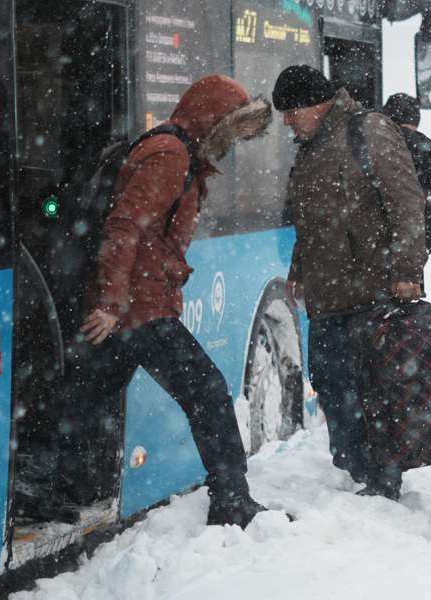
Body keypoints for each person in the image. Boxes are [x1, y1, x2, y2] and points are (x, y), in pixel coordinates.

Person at [58, 75, 277, 528]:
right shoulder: (171, 155)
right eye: (231, 129)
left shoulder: (176, 149)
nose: (232, 143)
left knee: (88, 395)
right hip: (140, 307)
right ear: (211, 119)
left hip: (136, 302)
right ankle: (232, 499)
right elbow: (125, 226)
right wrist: (113, 303)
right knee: (208, 393)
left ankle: (62, 487)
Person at [272, 66, 428, 499]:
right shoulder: (312, 146)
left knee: (374, 389)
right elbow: (312, 218)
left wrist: (407, 271)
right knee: (330, 381)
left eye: (291, 112)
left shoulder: (368, 130)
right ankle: (358, 469)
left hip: (373, 290)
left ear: (316, 104)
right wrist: (298, 269)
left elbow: (407, 203)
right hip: (328, 292)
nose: (287, 122)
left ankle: (382, 478)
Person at [383, 92, 431, 254]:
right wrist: (424, 245)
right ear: (415, 119)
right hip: (408, 246)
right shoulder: (423, 148)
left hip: (366, 248)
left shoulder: (367, 142)